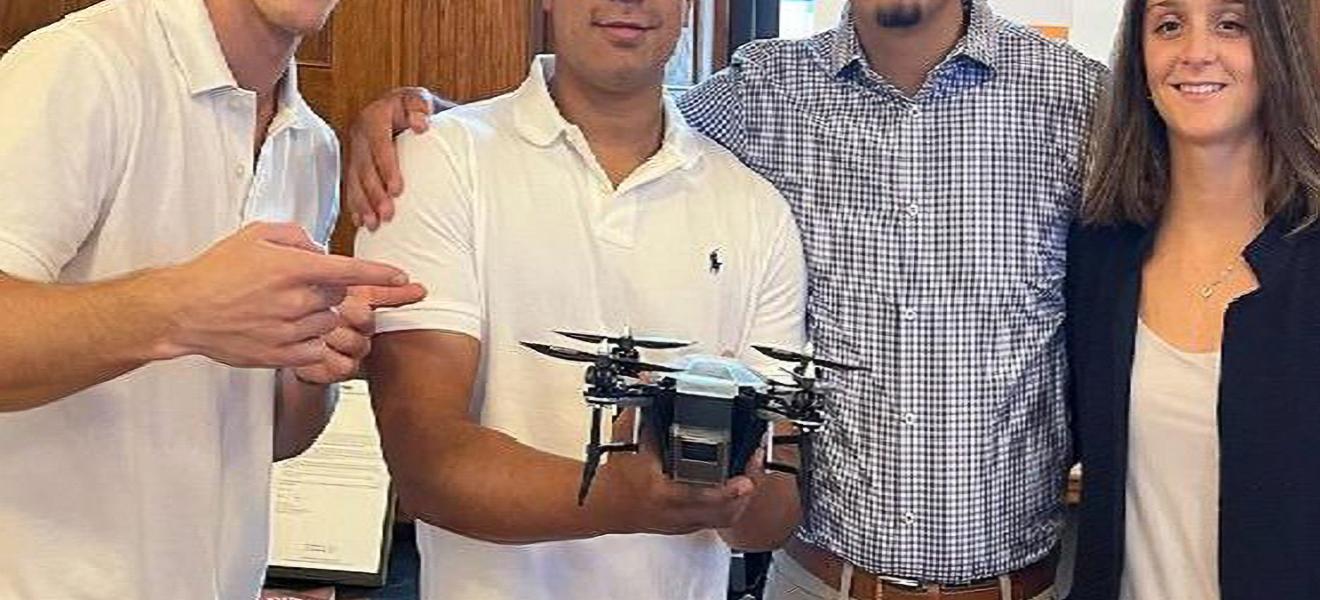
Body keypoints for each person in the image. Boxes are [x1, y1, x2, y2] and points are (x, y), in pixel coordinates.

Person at [349, 0, 1106, 598]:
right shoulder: (761, 94)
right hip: (816, 582)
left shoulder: (1079, 101)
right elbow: (600, 114)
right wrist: (431, 118)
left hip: (1020, 584)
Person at [353, 0, 807, 599]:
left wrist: (732, 485)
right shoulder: (441, 161)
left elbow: (769, 518)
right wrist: (619, 498)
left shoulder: (755, 207)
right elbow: (425, 465)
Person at [0, 0, 425, 597]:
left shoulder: (310, 145)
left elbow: (274, 438)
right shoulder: (84, 65)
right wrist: (180, 309)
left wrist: (313, 368)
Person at [1067, 0, 1320, 598]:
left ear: (1278, 51)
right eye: (1168, 25)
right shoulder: (1097, 257)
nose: (1196, 51)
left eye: (1232, 25)